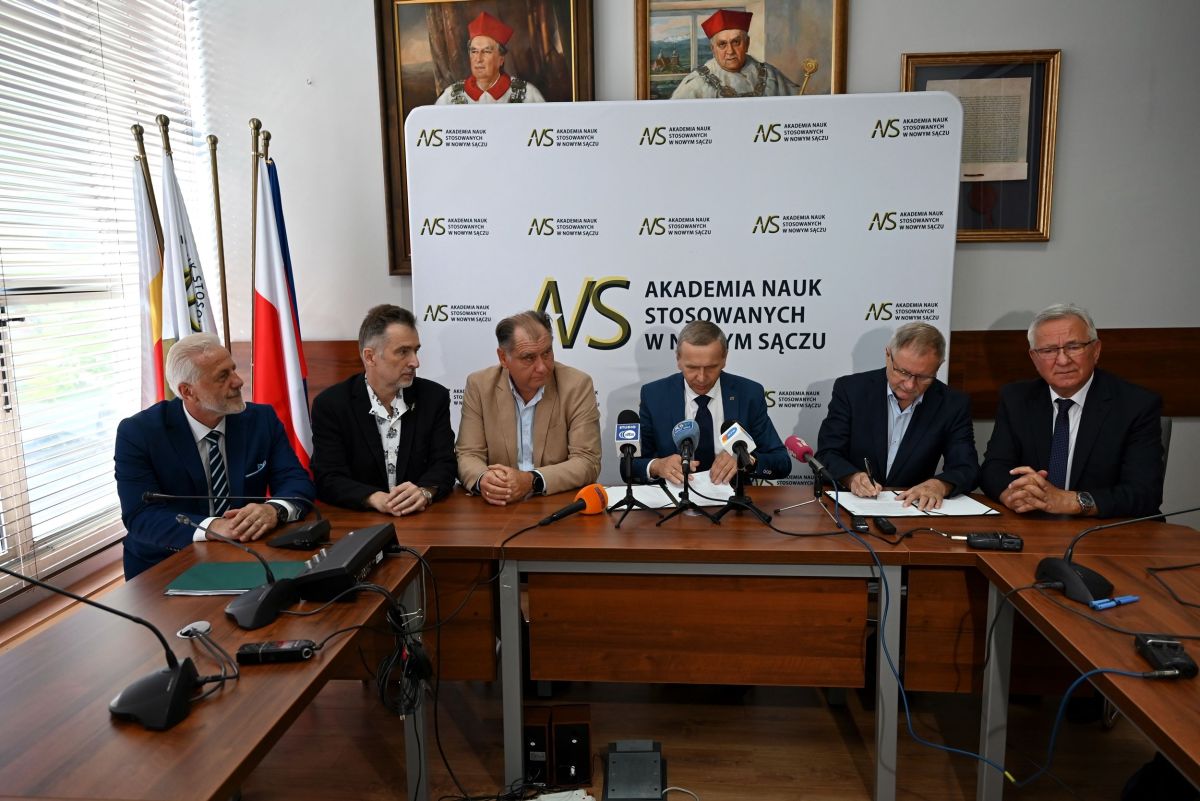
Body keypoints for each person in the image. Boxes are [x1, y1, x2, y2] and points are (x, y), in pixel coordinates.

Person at [115, 333, 314, 579]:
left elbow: (296, 481)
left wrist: (274, 510)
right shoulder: (139, 433)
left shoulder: (261, 420)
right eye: (223, 376)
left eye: (233, 370)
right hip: (167, 563)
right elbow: (140, 516)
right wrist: (212, 527)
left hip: (248, 554)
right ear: (188, 391)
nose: (238, 381)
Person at [980, 303, 1164, 517]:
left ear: (1096, 350)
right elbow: (994, 468)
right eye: (1048, 350)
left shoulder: (1136, 405)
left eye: (1074, 347)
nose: (1062, 360)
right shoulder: (1016, 399)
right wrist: (1011, 494)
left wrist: (1071, 501)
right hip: (1034, 525)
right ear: (1034, 358)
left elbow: (1144, 493)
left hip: (1105, 529)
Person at [310, 305, 456, 515]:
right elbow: (328, 478)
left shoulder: (433, 397)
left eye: (415, 350)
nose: (415, 362)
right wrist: (374, 498)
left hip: (422, 517)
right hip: (359, 520)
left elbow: (445, 464)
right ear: (370, 357)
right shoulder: (332, 405)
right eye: (403, 352)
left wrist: (425, 492)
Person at [815, 323, 979, 510]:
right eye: (903, 372)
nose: (910, 385)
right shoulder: (851, 390)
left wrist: (939, 485)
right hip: (851, 507)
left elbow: (967, 468)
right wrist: (851, 477)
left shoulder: (952, 404)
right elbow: (827, 454)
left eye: (923, 377)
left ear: (938, 367)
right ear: (888, 355)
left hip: (912, 509)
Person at [456, 310, 601, 504]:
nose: (542, 367)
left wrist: (532, 480)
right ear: (503, 358)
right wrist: (485, 479)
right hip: (498, 505)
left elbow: (587, 460)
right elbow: (468, 454)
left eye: (547, 353)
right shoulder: (480, 386)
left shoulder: (576, 385)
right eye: (529, 358)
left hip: (555, 501)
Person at [633, 321, 790, 486]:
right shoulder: (654, 395)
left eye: (711, 367)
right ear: (678, 359)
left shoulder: (748, 394)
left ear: (724, 359)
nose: (701, 378)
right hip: (674, 497)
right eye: (692, 367)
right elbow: (629, 466)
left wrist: (746, 459)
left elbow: (782, 462)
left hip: (733, 497)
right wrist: (657, 466)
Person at [670, 9, 800, 99]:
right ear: (713, 49)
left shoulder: (771, 75)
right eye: (722, 44)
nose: (730, 51)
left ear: (747, 44)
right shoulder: (696, 83)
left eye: (736, 42)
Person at [434, 11, 545, 105]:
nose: (478, 59)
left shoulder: (528, 94)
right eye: (474, 51)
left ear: (501, 59)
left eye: (486, 51)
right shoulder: (449, 97)